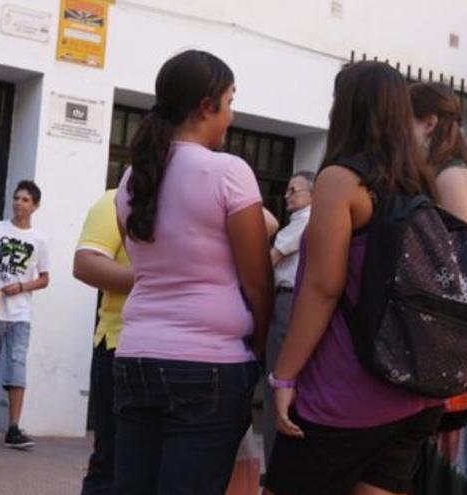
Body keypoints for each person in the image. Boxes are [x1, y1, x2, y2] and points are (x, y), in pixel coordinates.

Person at [266, 62, 443, 495]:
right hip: (412, 392)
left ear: (345, 108)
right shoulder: (422, 184)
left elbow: (323, 288)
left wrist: (284, 377)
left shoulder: (341, 180)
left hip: (344, 390)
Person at [113, 50, 272, 494]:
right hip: (209, 367)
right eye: (230, 100)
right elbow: (257, 279)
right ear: (207, 106)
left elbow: (144, 260)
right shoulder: (228, 172)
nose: (231, 114)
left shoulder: (132, 179)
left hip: (135, 358)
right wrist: (258, 346)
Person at [408, 81, 467, 494]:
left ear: (429, 123)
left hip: (448, 357)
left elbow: (459, 277)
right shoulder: (443, 174)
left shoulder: (452, 178)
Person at [0, 180, 50, 450]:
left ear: (35, 206)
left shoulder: (39, 239)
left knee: (17, 367)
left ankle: (14, 427)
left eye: (26, 200)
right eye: (17, 198)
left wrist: (21, 286)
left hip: (21, 312)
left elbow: (44, 278)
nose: (19, 203)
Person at [74, 189, 133, 494]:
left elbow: (266, 221)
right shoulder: (117, 200)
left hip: (184, 353)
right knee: (112, 461)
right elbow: (85, 263)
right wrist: (158, 278)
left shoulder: (193, 199)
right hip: (119, 346)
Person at [261, 171, 313, 463]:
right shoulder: (306, 221)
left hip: (288, 301)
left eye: (294, 190)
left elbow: (270, 260)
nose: (287, 195)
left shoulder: (305, 220)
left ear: (311, 195)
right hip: (296, 302)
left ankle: (274, 460)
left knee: (277, 380)